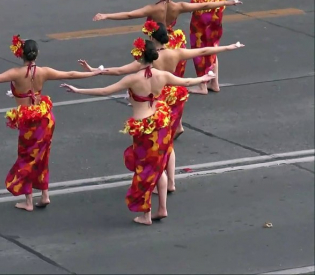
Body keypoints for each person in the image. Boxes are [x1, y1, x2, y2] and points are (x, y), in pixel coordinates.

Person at [61, 38, 215, 225]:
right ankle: (162, 208)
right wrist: (204, 78)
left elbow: (104, 91)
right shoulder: (162, 76)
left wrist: (78, 90)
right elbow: (187, 80)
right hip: (161, 124)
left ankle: (147, 215)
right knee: (159, 167)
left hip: (144, 129)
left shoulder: (133, 79)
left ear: (139, 56)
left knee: (144, 170)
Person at [79, 23, 245, 193]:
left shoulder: (148, 60)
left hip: (157, 99)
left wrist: (94, 70)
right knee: (168, 142)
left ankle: (159, 181)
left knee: (159, 145)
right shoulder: (176, 52)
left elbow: (119, 71)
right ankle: (171, 181)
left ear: (151, 38)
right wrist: (229, 47)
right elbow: (203, 51)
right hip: (174, 95)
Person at [0, 36, 103, 211]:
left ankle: (29, 201)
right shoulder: (44, 71)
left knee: (26, 157)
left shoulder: (16, 73)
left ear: (20, 54)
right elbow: (70, 74)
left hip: (29, 122)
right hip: (45, 118)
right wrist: (93, 72)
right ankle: (45, 195)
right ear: (36, 55)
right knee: (42, 156)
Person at [94, 0, 241, 77]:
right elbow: (206, 5)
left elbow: (129, 15)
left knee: (148, 67)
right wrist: (227, 2)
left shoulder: (152, 8)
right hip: (173, 40)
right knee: (171, 71)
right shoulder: (179, 6)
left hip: (156, 42)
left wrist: (107, 15)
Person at [173, 0, 265, 94]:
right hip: (217, 10)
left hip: (202, 11)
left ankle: (202, 85)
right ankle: (214, 82)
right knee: (213, 46)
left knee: (200, 47)